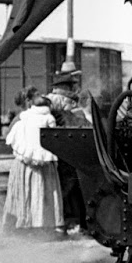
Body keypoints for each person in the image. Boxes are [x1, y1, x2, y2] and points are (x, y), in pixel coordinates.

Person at [4, 88, 63, 234]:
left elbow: (11, 138)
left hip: (24, 163)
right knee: (44, 193)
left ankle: (24, 222)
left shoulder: (22, 118)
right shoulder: (50, 118)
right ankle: (44, 223)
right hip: (44, 162)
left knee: (24, 193)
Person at [45, 73, 90, 235]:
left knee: (63, 189)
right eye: (71, 86)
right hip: (64, 152)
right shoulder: (61, 101)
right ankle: (70, 221)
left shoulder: (50, 101)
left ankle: (66, 221)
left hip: (58, 153)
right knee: (68, 188)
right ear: (65, 87)